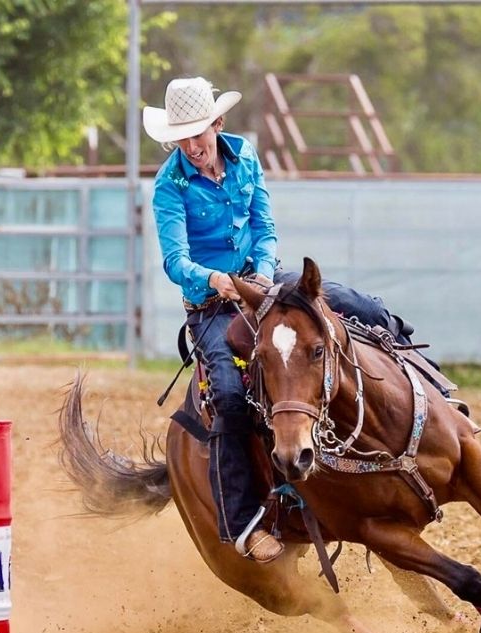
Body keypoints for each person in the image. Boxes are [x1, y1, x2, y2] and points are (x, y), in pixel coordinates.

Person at [144, 77, 416, 564]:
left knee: (362, 309)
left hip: (264, 281)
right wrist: (213, 280)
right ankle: (245, 523)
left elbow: (265, 226)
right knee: (227, 393)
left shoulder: (244, 156)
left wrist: (265, 276)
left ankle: (427, 399)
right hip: (211, 304)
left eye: (198, 134)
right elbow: (175, 260)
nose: (192, 145)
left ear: (217, 124)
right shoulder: (169, 186)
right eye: (182, 137)